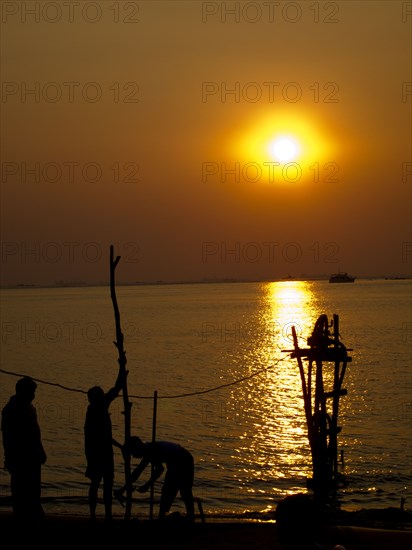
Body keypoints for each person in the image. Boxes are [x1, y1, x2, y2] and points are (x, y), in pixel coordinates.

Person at [114, 436, 195, 521]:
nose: (133, 456)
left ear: (137, 447)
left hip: (184, 460)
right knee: (170, 489)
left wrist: (147, 484)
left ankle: (187, 516)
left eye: (132, 452)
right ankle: (163, 516)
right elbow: (138, 471)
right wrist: (124, 488)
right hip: (174, 462)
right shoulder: (147, 450)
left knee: (180, 489)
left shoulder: (151, 450)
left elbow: (159, 470)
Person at [1, 376, 47, 525]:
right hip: (19, 458)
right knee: (21, 493)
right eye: (32, 392)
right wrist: (9, 458)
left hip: (33, 457)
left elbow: (36, 432)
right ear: (23, 392)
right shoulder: (10, 410)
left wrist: (41, 450)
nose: (33, 395)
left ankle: (33, 516)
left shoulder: (30, 408)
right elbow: (7, 437)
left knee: (33, 491)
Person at [84, 363, 126, 522]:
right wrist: (120, 445)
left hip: (101, 452)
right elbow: (101, 437)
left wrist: (122, 369)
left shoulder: (100, 405)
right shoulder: (95, 411)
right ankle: (96, 515)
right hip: (97, 453)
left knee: (104, 483)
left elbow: (116, 388)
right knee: (98, 483)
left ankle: (104, 514)